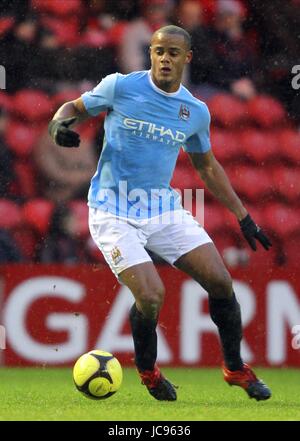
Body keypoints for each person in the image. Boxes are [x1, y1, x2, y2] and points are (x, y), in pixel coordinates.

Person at [48, 25, 272, 402]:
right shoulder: (120, 87)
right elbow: (74, 107)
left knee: (221, 282)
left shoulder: (195, 112)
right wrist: (58, 124)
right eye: (158, 51)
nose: (165, 59)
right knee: (151, 296)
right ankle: (149, 372)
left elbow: (207, 167)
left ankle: (235, 368)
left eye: (172, 53)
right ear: (150, 54)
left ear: (187, 58)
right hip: (112, 210)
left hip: (163, 209)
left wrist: (243, 215)